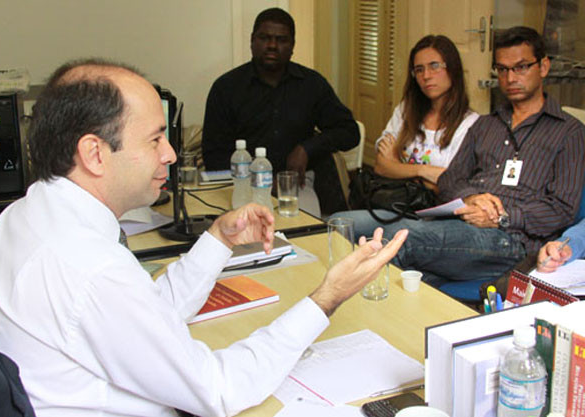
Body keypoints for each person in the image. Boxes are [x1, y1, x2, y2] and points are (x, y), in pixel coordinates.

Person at [0, 58, 407, 417]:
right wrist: (325, 298)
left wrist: (218, 238)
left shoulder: (24, 215)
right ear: (95, 153)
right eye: (155, 139)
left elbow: (146, 315)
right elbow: (217, 389)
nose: (169, 154)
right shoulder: (90, 269)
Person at [346, 26, 585, 287]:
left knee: (396, 240)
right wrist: (472, 199)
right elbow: (449, 181)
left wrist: (501, 216)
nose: (511, 77)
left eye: (521, 67)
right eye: (502, 69)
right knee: (346, 224)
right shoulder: (486, 125)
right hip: (457, 224)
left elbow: (562, 210)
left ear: (544, 67)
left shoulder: (569, 131)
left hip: (511, 239)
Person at [201, 7, 359, 216]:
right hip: (241, 188)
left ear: (292, 45)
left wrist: (307, 148)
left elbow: (349, 132)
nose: (272, 46)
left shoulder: (311, 85)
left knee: (307, 237)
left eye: (281, 39)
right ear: (252, 41)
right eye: (264, 38)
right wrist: (258, 180)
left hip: (296, 187)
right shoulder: (226, 88)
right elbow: (213, 155)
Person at [333, 35, 479, 237]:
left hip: (438, 217)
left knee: (384, 239)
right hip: (397, 207)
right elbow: (381, 167)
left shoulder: (471, 124)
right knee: (338, 222)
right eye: (419, 69)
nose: (426, 75)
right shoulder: (405, 111)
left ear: (452, 69)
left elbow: (448, 186)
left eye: (434, 66)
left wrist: (399, 166)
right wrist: (424, 171)